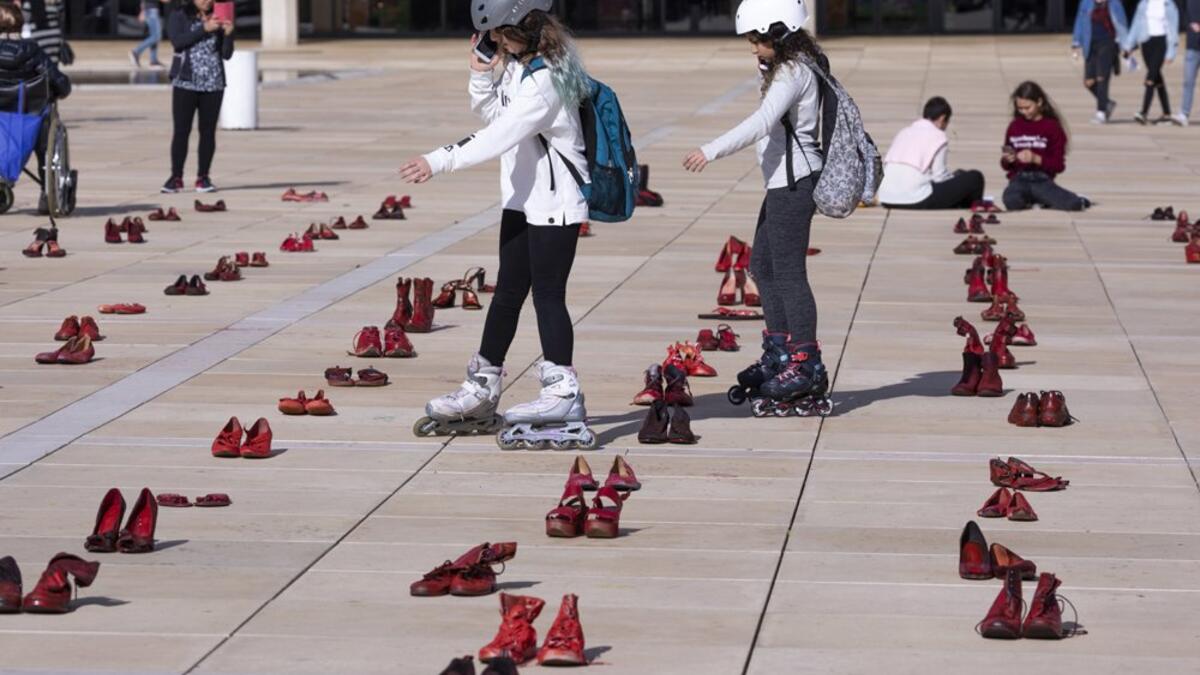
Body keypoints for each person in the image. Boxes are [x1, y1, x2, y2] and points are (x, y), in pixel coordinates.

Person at [399, 0, 598, 450]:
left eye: (501, 36)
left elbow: (499, 136)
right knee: (508, 293)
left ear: (525, 27)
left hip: (555, 203)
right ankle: (483, 388)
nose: (497, 45)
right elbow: (494, 116)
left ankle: (563, 392)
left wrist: (439, 159)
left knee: (547, 295)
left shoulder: (548, 78)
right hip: (522, 199)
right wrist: (479, 73)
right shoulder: (518, 68)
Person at [682, 0, 831, 415]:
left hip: (794, 183)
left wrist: (710, 150)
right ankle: (781, 351)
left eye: (758, 41)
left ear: (779, 34)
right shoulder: (792, 63)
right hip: (783, 183)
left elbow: (763, 122)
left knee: (788, 271)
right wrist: (765, 65)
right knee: (762, 267)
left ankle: (806, 363)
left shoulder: (792, 71)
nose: (754, 49)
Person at [0, 0, 69, 212]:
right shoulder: (32, 51)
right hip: (28, 118)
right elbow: (61, 83)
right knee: (45, 126)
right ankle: (46, 191)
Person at [163, 0, 233, 193]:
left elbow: (227, 55)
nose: (206, 0)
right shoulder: (179, 15)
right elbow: (178, 41)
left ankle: (203, 177)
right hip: (185, 82)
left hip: (213, 84)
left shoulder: (219, 15)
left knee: (208, 132)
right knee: (181, 131)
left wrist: (228, 35)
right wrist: (204, 28)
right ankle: (175, 177)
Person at [878, 97, 985, 210]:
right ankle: (968, 204)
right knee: (975, 178)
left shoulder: (904, 132)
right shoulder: (938, 136)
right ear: (942, 118)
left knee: (959, 176)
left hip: (886, 197)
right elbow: (939, 177)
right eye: (947, 122)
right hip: (915, 198)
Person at [1001, 81, 1089, 212]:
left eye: (1027, 107)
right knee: (1011, 201)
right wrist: (1008, 159)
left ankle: (1062, 198)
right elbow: (1005, 165)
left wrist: (1036, 158)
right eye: (1020, 108)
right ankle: (1036, 200)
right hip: (1018, 179)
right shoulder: (1014, 126)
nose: (1024, 112)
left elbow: (1058, 165)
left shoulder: (1052, 127)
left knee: (1072, 204)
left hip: (1042, 180)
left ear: (1039, 102)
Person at [1071, 0, 1129, 124]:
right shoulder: (1086, 3)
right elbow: (1079, 22)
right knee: (1089, 82)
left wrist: (1126, 47)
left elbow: (1122, 24)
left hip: (1108, 43)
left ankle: (1101, 112)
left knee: (1102, 77)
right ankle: (1107, 102)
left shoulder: (1114, 3)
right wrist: (1076, 42)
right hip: (1090, 44)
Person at [1124, 0, 1181, 125]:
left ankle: (1143, 112)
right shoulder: (1143, 4)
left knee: (1150, 77)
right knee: (1156, 77)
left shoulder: (1169, 5)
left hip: (1162, 43)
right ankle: (1166, 113)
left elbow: (1173, 29)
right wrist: (1128, 45)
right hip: (1146, 42)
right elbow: (1136, 24)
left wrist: (1171, 52)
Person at [1176, 0, 1200, 126]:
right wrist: (1188, 25)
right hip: (1193, 43)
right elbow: (1180, 11)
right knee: (1188, 80)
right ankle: (1184, 113)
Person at [131, 0, 164, 68]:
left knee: (154, 36)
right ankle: (136, 52)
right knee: (156, 37)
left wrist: (142, 11)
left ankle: (153, 60)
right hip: (151, 11)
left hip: (150, 11)